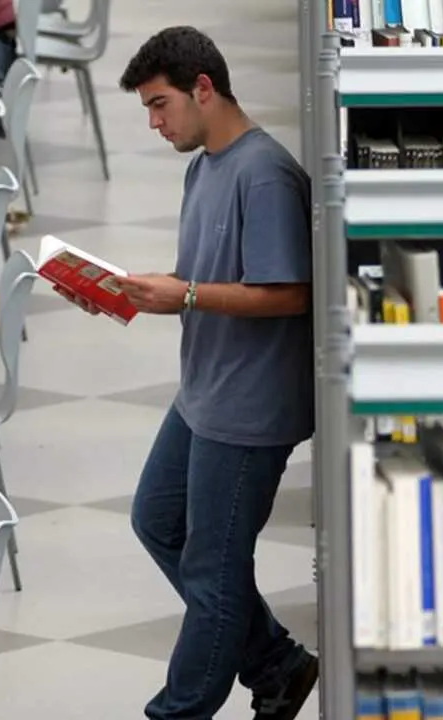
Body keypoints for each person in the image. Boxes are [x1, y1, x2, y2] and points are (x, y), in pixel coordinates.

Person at [62, 26, 319, 720]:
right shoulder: (203, 165)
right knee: (157, 521)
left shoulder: (264, 175)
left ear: (203, 88)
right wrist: (125, 292)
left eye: (158, 104)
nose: (153, 122)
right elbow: (200, 280)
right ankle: (276, 661)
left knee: (213, 568)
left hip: (249, 406)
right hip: (205, 388)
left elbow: (292, 292)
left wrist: (189, 295)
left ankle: (178, 712)